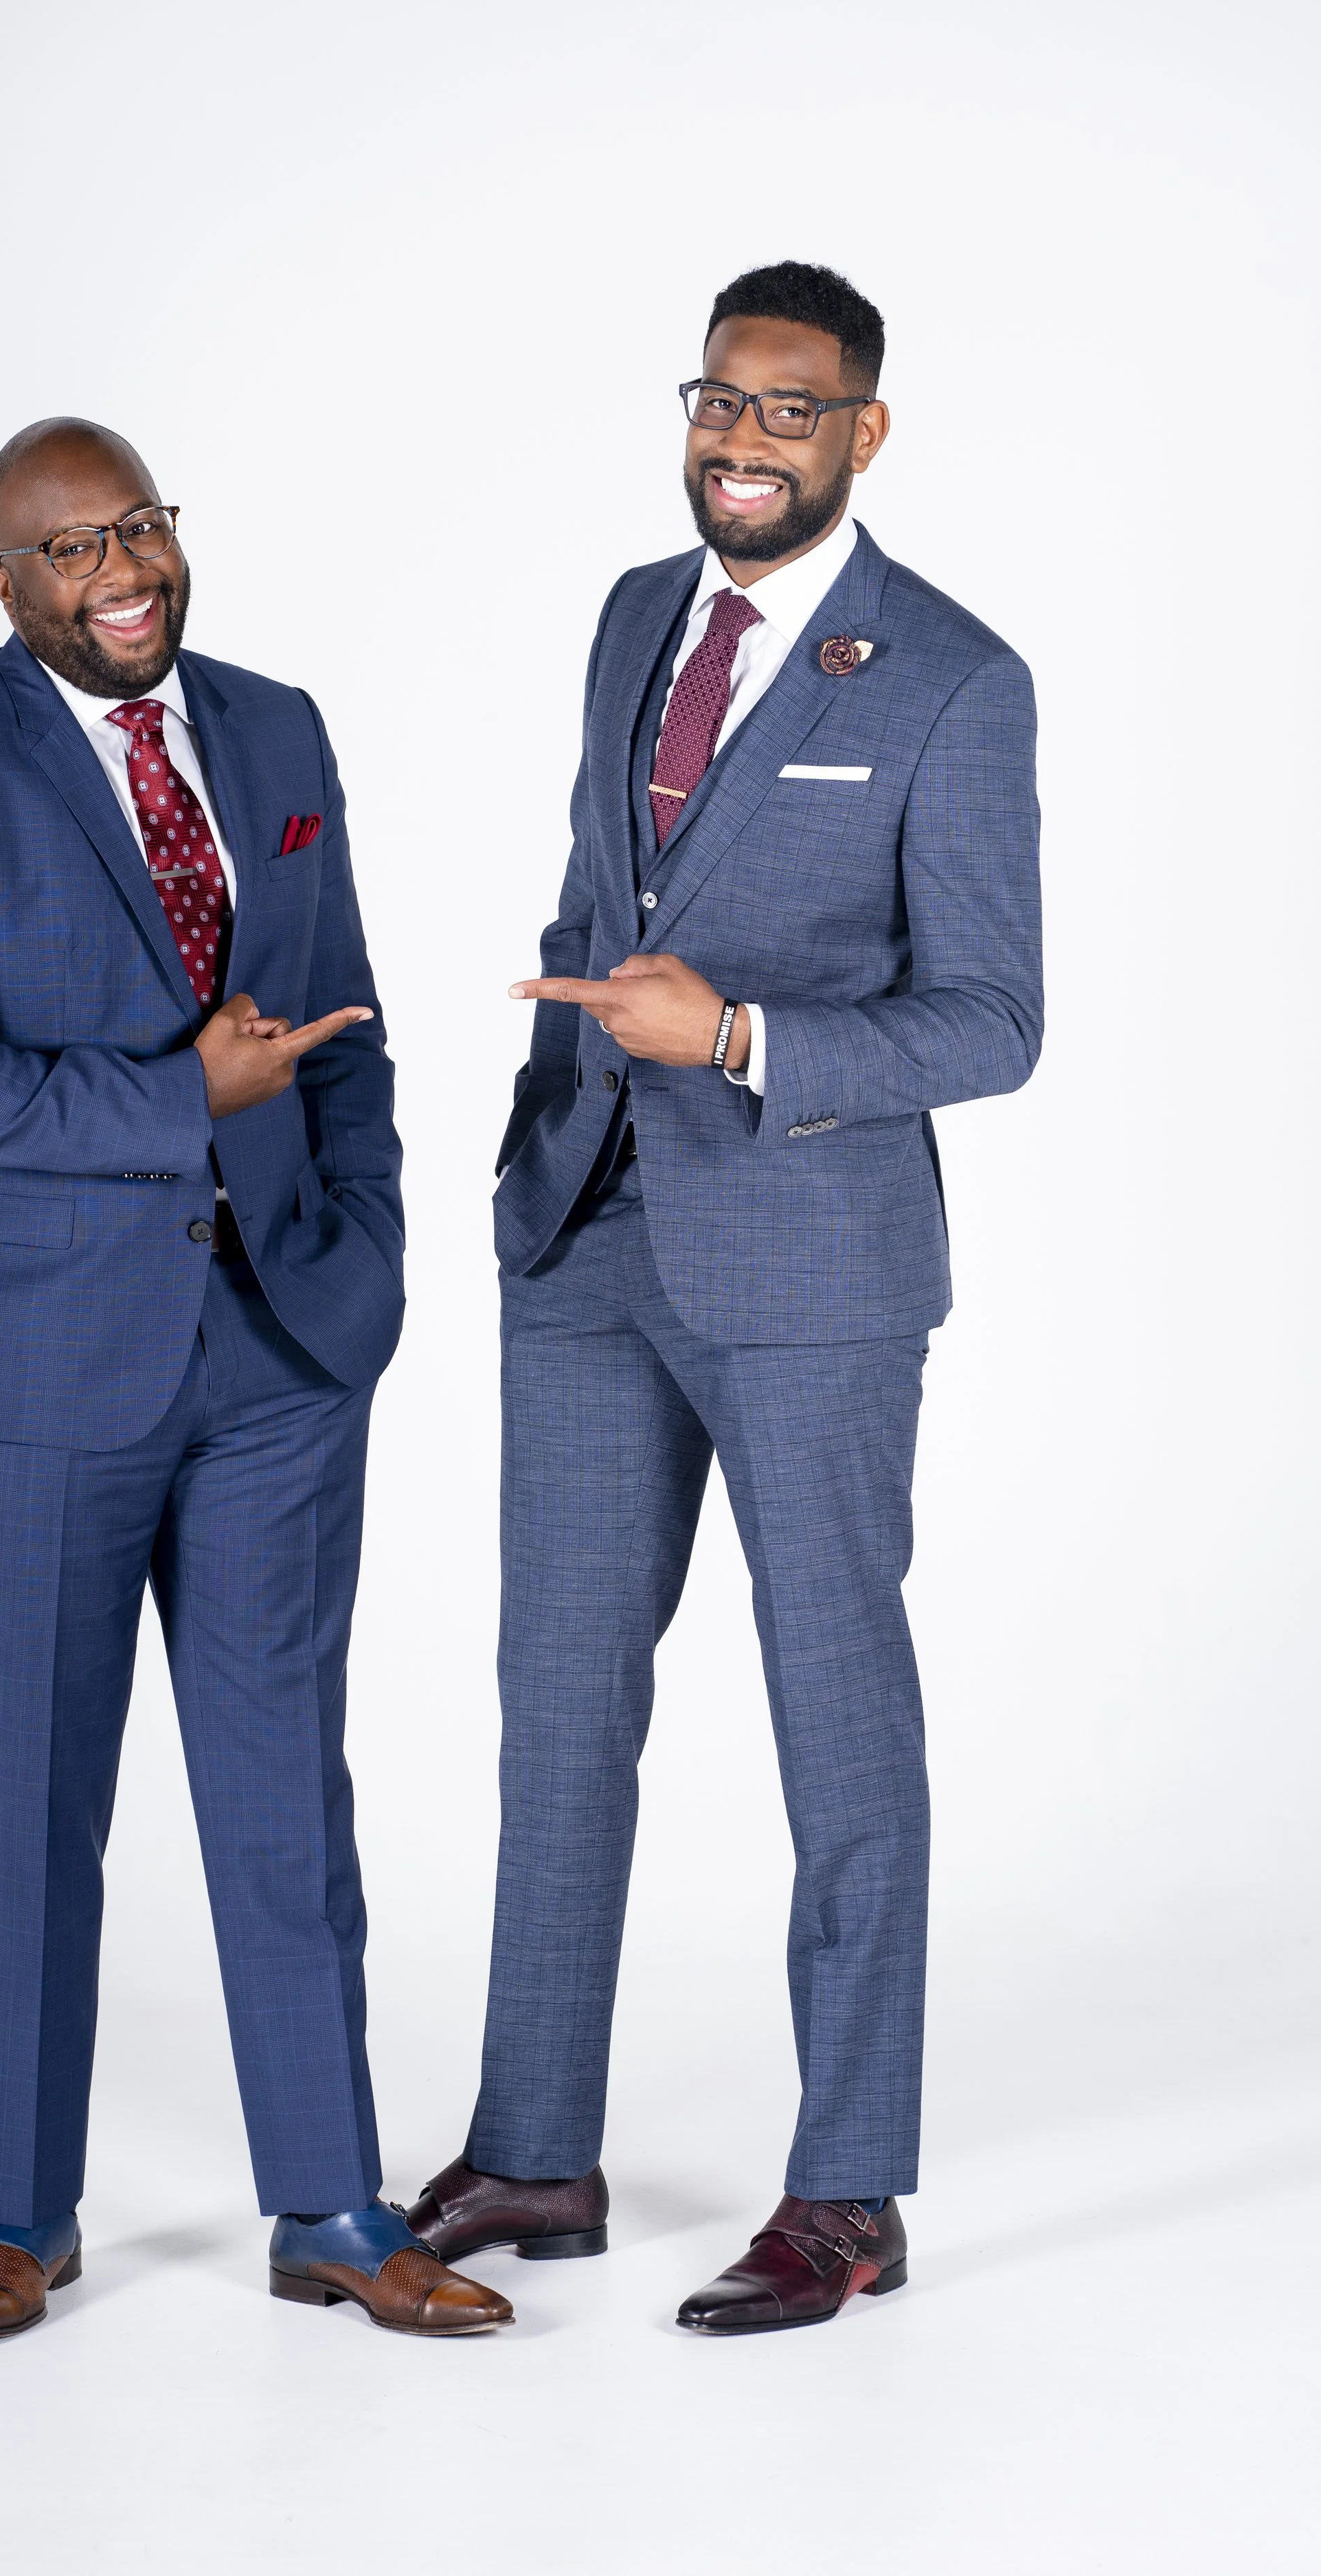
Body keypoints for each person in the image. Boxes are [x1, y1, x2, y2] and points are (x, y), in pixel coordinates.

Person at [407, 264, 1043, 2332]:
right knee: (558, 1702)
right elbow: (600, 898)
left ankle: (846, 2187)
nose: (739, 442)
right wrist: (537, 1134)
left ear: (865, 431)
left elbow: (994, 1017)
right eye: (716, 401)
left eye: (787, 411)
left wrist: (745, 1034)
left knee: (832, 1709)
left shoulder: (949, 679)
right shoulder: (627, 614)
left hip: (811, 1263)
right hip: (588, 1239)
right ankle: (535, 2143)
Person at [0, 417, 510, 2340]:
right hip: (40, 1366)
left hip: (283, 1353)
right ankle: (18, 2216)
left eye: (135, 528)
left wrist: (361, 1258)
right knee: (40, 1799)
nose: (112, 570)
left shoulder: (277, 730)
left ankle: (326, 2203)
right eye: (64, 548)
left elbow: (346, 1016)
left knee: (284, 1790)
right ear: (7, 583)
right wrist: (167, 1103)